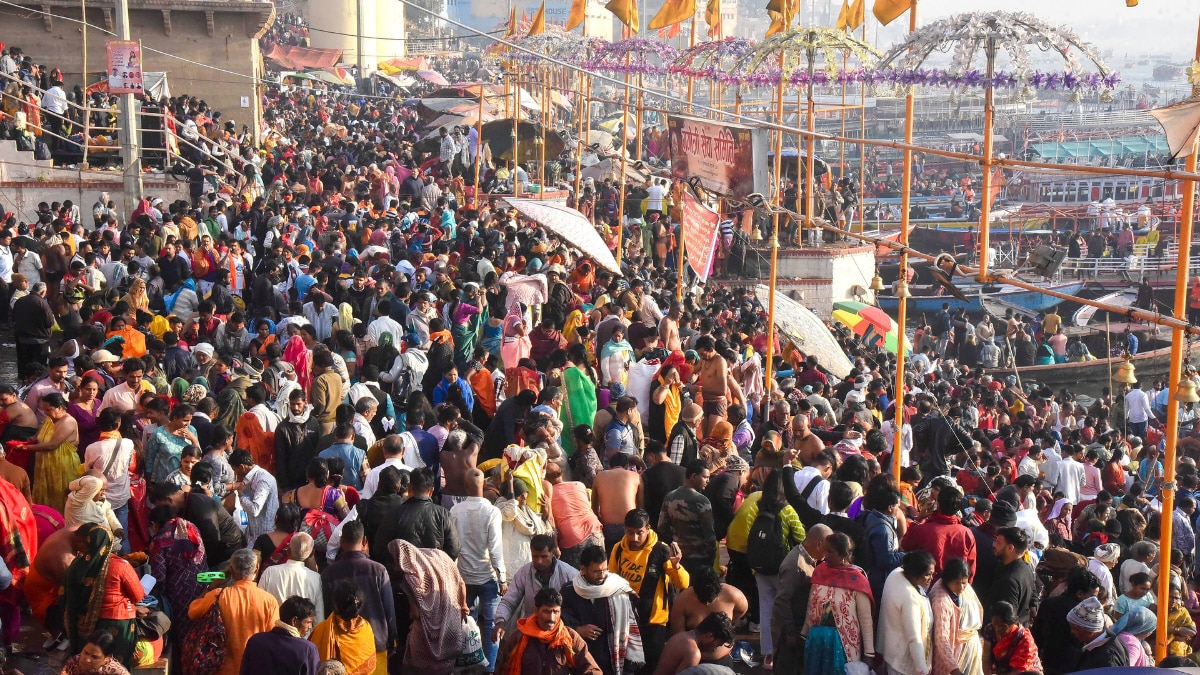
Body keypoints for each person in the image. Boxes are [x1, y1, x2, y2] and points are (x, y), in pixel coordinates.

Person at [608, 508, 689, 669]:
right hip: (627, 620)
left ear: (648, 529)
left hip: (654, 622)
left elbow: (683, 584)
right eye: (630, 532)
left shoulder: (661, 550)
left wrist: (676, 565)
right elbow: (611, 581)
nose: (635, 538)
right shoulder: (618, 549)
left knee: (653, 667)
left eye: (639, 532)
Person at [448, 468, 507, 672]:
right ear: (484, 485)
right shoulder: (492, 512)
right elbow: (495, 549)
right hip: (488, 577)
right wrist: (503, 578)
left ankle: (468, 666)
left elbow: (453, 547)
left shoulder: (455, 511)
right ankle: (489, 669)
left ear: (465, 487)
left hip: (464, 578)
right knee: (491, 625)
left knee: (467, 624)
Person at [187, 549, 281, 675]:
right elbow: (273, 638)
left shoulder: (218, 595)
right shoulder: (269, 601)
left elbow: (192, 611)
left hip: (221, 669)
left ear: (231, 568)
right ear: (257, 567)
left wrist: (210, 587)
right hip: (254, 668)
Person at [62, 524, 145, 667]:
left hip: (84, 625)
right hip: (117, 624)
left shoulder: (77, 565)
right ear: (110, 542)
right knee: (116, 664)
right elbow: (138, 596)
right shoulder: (121, 566)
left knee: (89, 664)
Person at [320, 520, 395, 674]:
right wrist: (392, 640)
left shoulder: (329, 573)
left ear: (341, 541)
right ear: (365, 541)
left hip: (341, 649)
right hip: (375, 644)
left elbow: (327, 611)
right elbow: (389, 611)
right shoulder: (378, 571)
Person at [387, 539, 469, 675]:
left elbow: (415, 614)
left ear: (400, 559)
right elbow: (461, 583)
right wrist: (463, 605)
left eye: (395, 562)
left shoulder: (411, 578)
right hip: (451, 628)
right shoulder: (440, 557)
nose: (395, 567)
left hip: (426, 641)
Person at [560, 545, 645, 675]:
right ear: (583, 570)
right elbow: (559, 621)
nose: (602, 575)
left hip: (613, 661)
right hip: (582, 660)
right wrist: (578, 630)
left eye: (605, 570)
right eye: (596, 571)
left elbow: (631, 626)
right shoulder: (569, 591)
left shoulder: (618, 589)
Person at [803, 531, 875, 672]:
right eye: (825, 550)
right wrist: (803, 634)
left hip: (843, 646)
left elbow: (866, 620)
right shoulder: (819, 572)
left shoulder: (857, 580)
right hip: (817, 643)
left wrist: (869, 652)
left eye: (830, 552)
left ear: (843, 555)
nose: (825, 556)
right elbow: (811, 606)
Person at [494, 587, 604, 675]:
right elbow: (502, 670)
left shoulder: (571, 638)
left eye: (556, 612)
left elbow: (592, 670)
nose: (551, 618)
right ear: (536, 611)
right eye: (546, 611)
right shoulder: (517, 638)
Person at [495, 533, 580, 640]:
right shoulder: (524, 573)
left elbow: (579, 606)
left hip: (561, 633)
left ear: (552, 553)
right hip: (531, 633)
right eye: (535, 556)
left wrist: (577, 628)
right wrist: (500, 622)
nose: (539, 561)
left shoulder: (569, 574)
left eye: (544, 556)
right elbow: (509, 601)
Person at [146, 506, 208, 645]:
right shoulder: (191, 527)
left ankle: (182, 664)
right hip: (203, 582)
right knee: (199, 629)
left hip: (178, 593)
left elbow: (159, 576)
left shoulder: (160, 540)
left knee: (182, 634)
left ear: (153, 524)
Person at [900, 485, 976, 580]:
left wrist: (919, 518)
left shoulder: (923, 529)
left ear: (938, 504)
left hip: (926, 587)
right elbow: (971, 569)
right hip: (955, 588)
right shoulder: (966, 533)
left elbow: (905, 544)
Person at [878, 550, 935, 675]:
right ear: (915, 573)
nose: (931, 578)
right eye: (927, 574)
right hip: (905, 664)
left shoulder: (896, 574)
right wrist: (922, 669)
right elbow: (914, 638)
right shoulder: (910, 597)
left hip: (892, 653)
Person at [658, 461, 716, 575]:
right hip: (699, 559)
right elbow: (709, 535)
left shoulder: (670, 497)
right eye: (705, 477)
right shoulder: (702, 501)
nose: (708, 481)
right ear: (694, 476)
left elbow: (661, 527)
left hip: (678, 556)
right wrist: (711, 558)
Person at [240, 596, 322, 675]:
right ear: (294, 621)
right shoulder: (307, 650)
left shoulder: (255, 641)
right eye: (308, 622)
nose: (310, 627)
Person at [24, 392, 79, 509]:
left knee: (60, 494)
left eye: (48, 410)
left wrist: (26, 448)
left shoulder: (68, 422)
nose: (45, 413)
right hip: (45, 464)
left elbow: (52, 445)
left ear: (59, 407)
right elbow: (37, 436)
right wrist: (32, 439)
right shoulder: (50, 419)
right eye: (44, 410)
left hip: (62, 466)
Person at [929, 557, 983, 675]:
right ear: (947, 580)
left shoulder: (965, 588)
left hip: (970, 647)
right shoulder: (941, 601)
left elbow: (978, 609)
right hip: (952, 655)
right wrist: (954, 669)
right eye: (957, 583)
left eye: (964, 583)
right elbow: (941, 638)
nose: (962, 587)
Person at [310, 581, 378, 675]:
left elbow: (311, 663)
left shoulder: (322, 629)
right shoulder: (365, 628)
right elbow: (368, 665)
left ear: (336, 605)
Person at [258, 532, 324, 620]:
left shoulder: (269, 572)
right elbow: (318, 617)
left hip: (273, 630)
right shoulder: (316, 578)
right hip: (303, 633)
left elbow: (259, 606)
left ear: (288, 551)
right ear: (312, 554)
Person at [652, 612, 737, 675]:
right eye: (717, 645)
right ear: (710, 636)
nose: (714, 649)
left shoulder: (681, 636)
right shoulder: (693, 653)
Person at [990, 526, 1037, 626]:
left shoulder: (1009, 580)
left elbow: (1007, 619)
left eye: (998, 543)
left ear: (1010, 548)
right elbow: (1034, 596)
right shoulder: (1026, 567)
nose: (994, 545)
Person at [1067, 596, 1129, 669]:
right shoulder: (1105, 642)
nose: (1072, 632)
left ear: (1090, 631)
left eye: (1075, 629)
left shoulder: (1107, 659)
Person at [985, 600, 1041, 674]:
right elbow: (986, 658)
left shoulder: (1024, 639)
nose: (997, 629)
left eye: (1002, 626)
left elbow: (1017, 671)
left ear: (1012, 624)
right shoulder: (990, 629)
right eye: (994, 624)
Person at [60, 630, 132, 675]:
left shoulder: (118, 673)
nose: (86, 660)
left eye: (95, 657)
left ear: (107, 658)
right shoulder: (75, 662)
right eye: (85, 652)